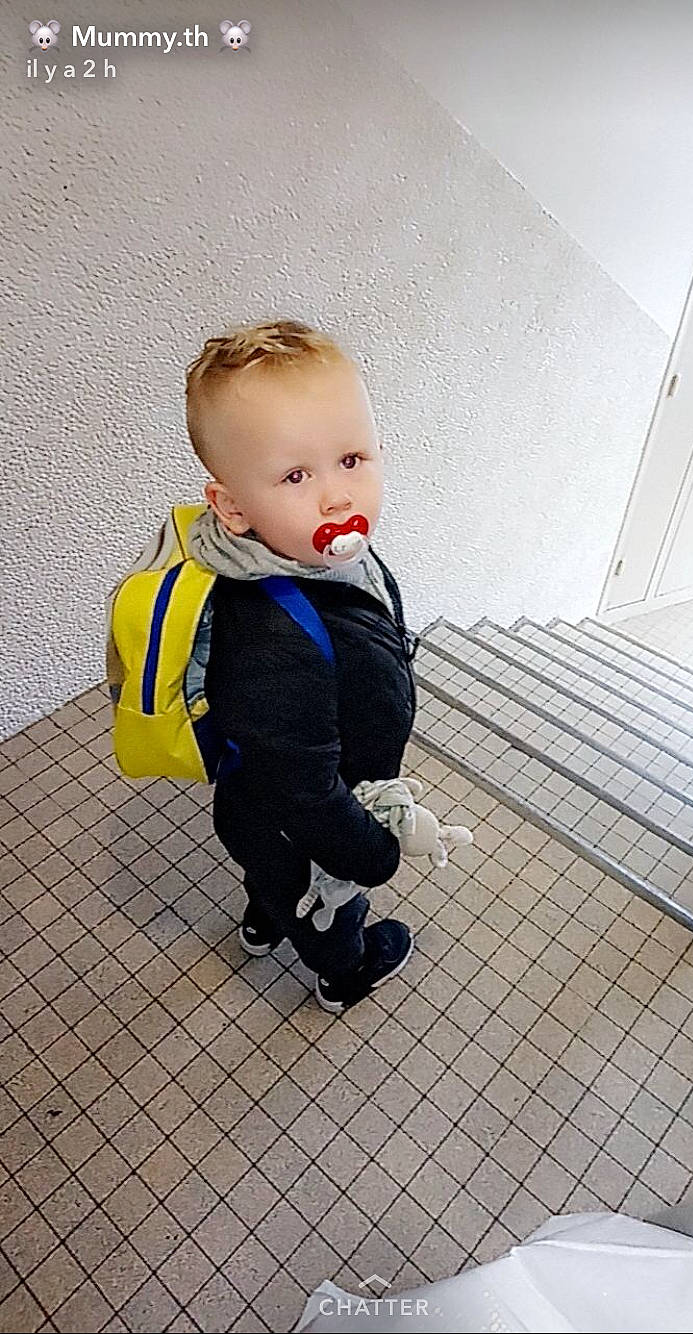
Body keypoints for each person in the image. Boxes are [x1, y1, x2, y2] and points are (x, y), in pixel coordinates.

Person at [184, 319, 424, 1013]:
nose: (337, 497)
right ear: (232, 507)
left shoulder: (319, 557)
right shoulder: (275, 644)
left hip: (259, 811)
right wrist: (371, 855)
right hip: (308, 822)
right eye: (296, 474)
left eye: (352, 458)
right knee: (324, 905)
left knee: (270, 879)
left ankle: (263, 920)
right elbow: (306, 792)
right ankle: (341, 973)